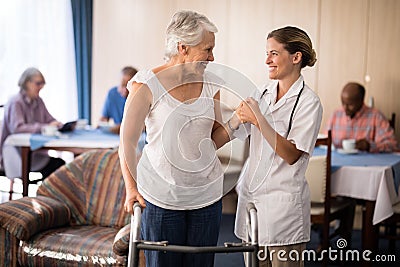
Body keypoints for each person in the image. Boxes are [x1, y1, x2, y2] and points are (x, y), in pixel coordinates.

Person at [119, 11, 225, 267]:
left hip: (206, 196)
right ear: (183, 48)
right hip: (161, 198)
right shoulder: (146, 84)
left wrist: (240, 122)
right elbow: (128, 142)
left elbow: (214, 138)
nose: (212, 57)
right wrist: (131, 188)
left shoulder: (212, 83)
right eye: (207, 49)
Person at [215, 26, 323, 266]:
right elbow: (234, 131)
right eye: (267, 53)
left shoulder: (309, 103)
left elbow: (292, 154)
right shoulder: (261, 93)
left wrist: (258, 119)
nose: (267, 60)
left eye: (274, 53)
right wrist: (235, 118)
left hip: (283, 210)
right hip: (252, 204)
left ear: (296, 57)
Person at [0, 67, 65, 181]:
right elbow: (17, 128)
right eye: (38, 83)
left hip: (34, 153)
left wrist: (59, 125)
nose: (41, 87)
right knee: (57, 167)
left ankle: (48, 195)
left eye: (42, 84)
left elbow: (49, 119)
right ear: (27, 83)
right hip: (17, 154)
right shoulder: (16, 102)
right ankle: (45, 195)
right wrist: (44, 127)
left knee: (62, 166)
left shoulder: (38, 101)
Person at [326, 82, 398, 152]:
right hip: (338, 161)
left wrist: (369, 146)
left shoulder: (376, 116)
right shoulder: (336, 115)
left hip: (367, 162)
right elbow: (324, 139)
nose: (345, 108)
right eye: (343, 103)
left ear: (361, 101)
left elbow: (392, 144)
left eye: (350, 105)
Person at [99, 66, 138, 134]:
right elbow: (104, 118)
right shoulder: (112, 94)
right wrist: (102, 125)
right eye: (123, 85)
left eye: (129, 86)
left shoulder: (141, 97)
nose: (125, 91)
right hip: (116, 136)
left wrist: (120, 128)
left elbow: (141, 126)